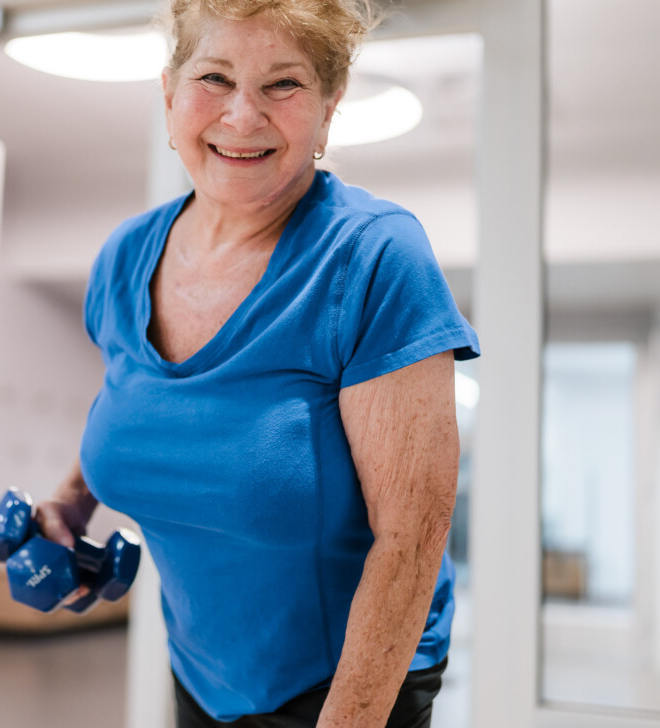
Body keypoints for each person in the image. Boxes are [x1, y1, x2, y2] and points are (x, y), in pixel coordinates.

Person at [35, 0, 480, 725]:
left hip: (346, 686)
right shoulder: (123, 259)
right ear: (170, 91)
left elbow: (414, 533)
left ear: (329, 110)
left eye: (284, 85)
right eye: (214, 77)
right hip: (201, 673)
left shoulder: (374, 258)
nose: (243, 117)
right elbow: (138, 403)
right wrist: (73, 497)